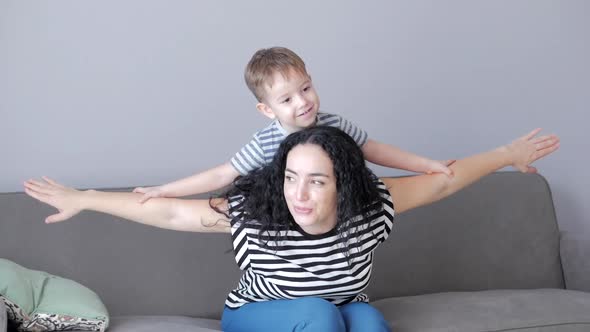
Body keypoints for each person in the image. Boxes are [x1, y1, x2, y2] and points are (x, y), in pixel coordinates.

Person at [24, 126, 559, 332]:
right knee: (318, 314)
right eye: (291, 178)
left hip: (336, 310)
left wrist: (507, 154)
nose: (298, 195)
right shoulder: (258, 211)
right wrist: (85, 198)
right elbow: (169, 212)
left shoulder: (371, 206)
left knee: (369, 323)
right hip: (255, 317)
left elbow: (443, 182)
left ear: (343, 185)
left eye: (317, 182)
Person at [132, 47, 453, 203]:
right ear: (266, 110)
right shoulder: (265, 143)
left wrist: (426, 164)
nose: (302, 102)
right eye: (286, 100)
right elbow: (222, 173)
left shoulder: (334, 124)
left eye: (305, 88)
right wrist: (163, 190)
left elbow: (374, 149)